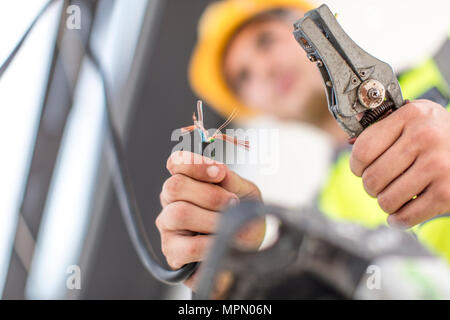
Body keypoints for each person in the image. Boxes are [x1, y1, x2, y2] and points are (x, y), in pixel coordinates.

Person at [156, 0, 450, 290]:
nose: (264, 69)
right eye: (244, 77)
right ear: (257, 111)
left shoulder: (444, 62)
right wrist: (235, 279)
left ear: (306, 31)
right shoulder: (321, 225)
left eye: (265, 40)